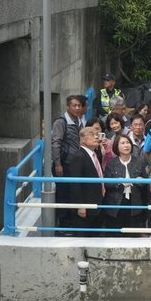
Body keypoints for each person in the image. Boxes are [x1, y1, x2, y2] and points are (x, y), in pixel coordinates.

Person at [103, 134, 148, 236]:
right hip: (116, 203)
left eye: (128, 142)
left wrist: (141, 181)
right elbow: (106, 184)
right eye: (122, 143)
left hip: (134, 202)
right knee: (115, 235)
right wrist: (118, 182)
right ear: (116, 146)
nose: (126, 145)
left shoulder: (138, 162)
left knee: (132, 235)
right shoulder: (111, 163)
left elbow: (146, 182)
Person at [51, 95, 84, 230]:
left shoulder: (78, 120)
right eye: (74, 105)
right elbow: (56, 143)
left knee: (73, 193)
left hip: (75, 164)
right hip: (64, 164)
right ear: (68, 106)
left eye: (79, 106)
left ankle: (71, 222)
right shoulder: (61, 122)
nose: (77, 108)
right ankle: (64, 224)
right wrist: (58, 164)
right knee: (63, 194)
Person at [66, 127, 105, 235]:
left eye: (97, 134)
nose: (96, 137)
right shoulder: (79, 156)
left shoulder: (94, 154)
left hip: (96, 204)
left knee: (94, 238)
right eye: (92, 134)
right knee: (83, 238)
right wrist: (80, 205)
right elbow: (75, 183)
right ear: (82, 139)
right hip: (85, 207)